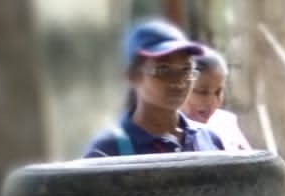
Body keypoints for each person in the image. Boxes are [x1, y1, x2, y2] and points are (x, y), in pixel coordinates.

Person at [84, 19, 225, 157]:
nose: (179, 82)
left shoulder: (208, 139)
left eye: (186, 69)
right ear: (133, 76)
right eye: (163, 70)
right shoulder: (108, 151)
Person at [185, 46, 256, 151]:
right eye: (202, 92)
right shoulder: (170, 133)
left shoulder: (225, 123)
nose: (211, 102)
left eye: (218, 92)